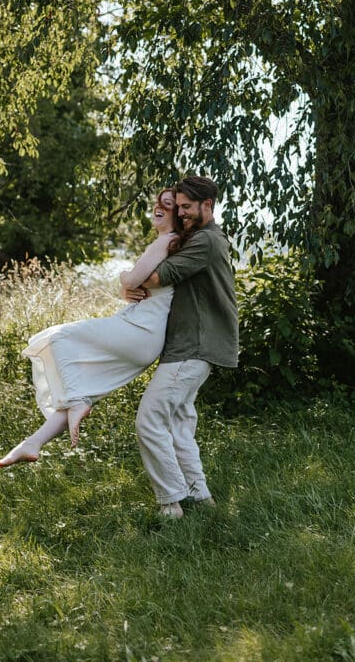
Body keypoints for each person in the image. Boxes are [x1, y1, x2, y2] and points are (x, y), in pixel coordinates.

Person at [0, 188, 180, 469]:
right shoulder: (169, 243)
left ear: (178, 215)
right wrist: (127, 285)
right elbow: (134, 287)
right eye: (158, 202)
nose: (158, 208)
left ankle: (77, 401)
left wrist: (123, 278)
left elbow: (132, 280)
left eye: (167, 205)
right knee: (81, 389)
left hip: (138, 329)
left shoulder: (166, 240)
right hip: (145, 339)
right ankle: (32, 443)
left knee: (59, 337)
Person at [126, 174, 238, 519]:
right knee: (177, 425)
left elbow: (155, 277)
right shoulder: (201, 238)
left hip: (195, 347)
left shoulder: (206, 240)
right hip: (187, 346)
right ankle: (201, 499)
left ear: (208, 204)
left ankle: (170, 502)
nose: (183, 213)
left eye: (187, 207)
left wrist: (125, 283)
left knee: (149, 420)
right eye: (180, 207)